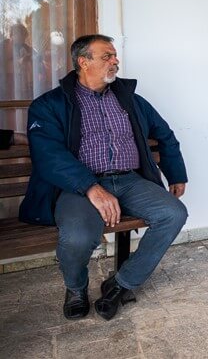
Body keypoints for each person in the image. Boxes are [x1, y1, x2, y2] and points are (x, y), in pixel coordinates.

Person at [19, 34, 188, 321]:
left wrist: (176, 174)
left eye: (114, 55)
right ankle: (76, 288)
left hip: (129, 181)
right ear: (83, 62)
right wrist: (91, 187)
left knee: (173, 214)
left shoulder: (130, 100)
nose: (115, 61)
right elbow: (48, 155)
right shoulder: (49, 105)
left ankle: (121, 284)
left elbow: (165, 134)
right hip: (78, 187)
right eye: (106, 56)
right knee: (78, 237)